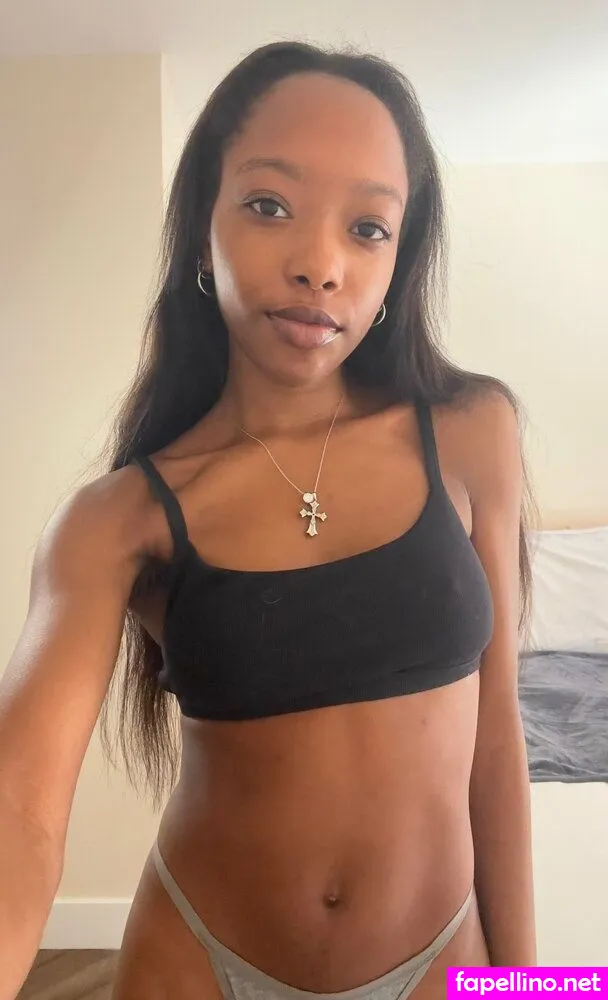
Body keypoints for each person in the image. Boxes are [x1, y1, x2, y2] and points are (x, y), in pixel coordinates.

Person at [0, 40, 537, 1000]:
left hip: (440, 962)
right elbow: (19, 813)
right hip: (195, 962)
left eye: (367, 228)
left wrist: (532, 986)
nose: (320, 266)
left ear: (400, 258)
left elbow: (498, 741)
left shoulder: (471, 430)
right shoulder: (116, 521)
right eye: (268, 205)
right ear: (200, 226)